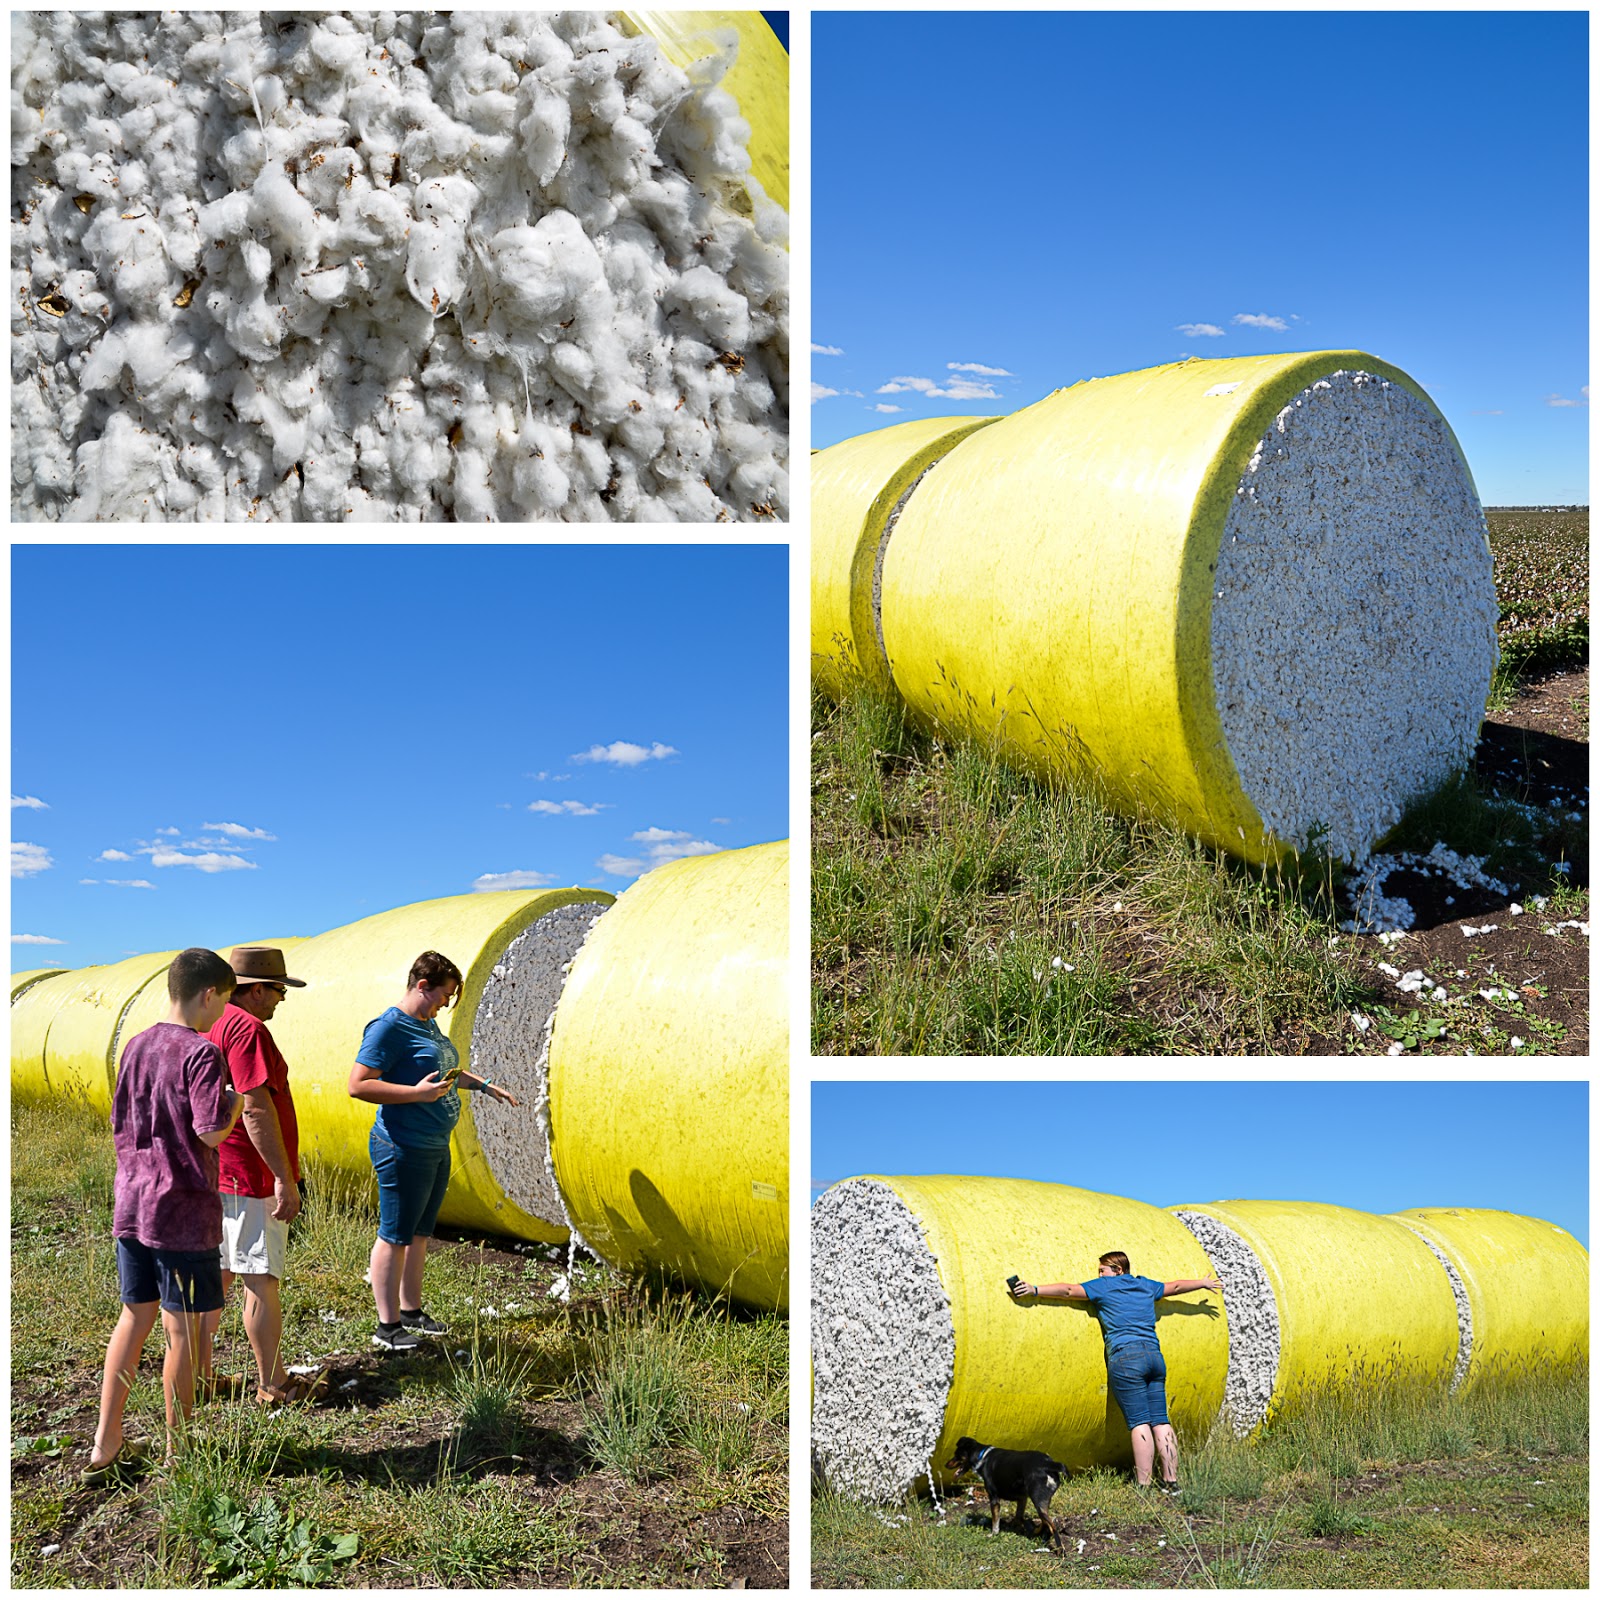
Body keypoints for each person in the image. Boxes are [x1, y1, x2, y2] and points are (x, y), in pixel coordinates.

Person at [85, 948, 243, 1483]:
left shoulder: (135, 1044)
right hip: (181, 1211)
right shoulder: (201, 1053)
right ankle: (180, 1452)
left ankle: (106, 1440)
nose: (223, 1012)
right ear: (208, 994)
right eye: (224, 1000)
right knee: (182, 1331)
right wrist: (235, 1107)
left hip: (132, 1201)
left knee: (134, 1316)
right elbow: (208, 1131)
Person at [346, 951, 520, 1352]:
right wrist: (415, 1094)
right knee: (394, 1235)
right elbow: (357, 1084)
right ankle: (387, 1328)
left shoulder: (428, 1025)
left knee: (420, 1233)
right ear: (422, 986)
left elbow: (445, 1072)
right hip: (402, 1145)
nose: (446, 1004)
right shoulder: (388, 1028)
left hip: (434, 1145)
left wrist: (484, 1085)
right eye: (444, 995)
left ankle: (411, 1312)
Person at [198, 946, 315, 1406]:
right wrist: (282, 1177)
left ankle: (201, 1375)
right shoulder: (247, 1028)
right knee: (260, 1278)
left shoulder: (215, 1022)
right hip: (251, 1175)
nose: (281, 1000)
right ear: (257, 989)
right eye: (278, 990)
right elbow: (255, 1105)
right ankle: (274, 1383)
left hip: (221, 1171)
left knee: (221, 1275)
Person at [1009, 1251, 1222, 1494]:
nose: (1099, 1275)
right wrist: (1203, 1283)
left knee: (1139, 1422)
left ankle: (1144, 1486)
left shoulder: (1104, 1287)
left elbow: (1069, 1291)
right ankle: (1171, 1483)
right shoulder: (1144, 1285)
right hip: (1154, 1357)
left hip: (1126, 1358)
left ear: (1118, 1270)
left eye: (1103, 1270)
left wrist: (1034, 1289)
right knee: (1161, 1421)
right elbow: (1174, 1286)